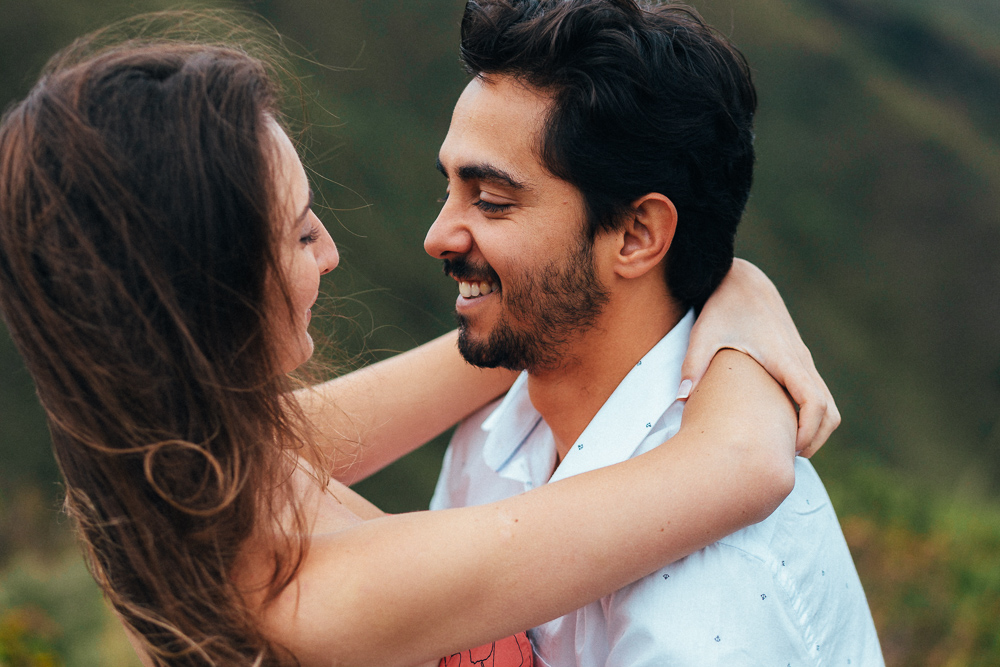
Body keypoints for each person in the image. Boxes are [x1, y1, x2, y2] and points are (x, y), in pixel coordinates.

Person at [0, 21, 833, 667]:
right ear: (207, 293)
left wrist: (706, 274)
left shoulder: (175, 480)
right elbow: (744, 467)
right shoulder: (316, 596)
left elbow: (525, 328)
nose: (329, 252)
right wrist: (742, 304)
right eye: (296, 235)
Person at [426, 1, 884, 665]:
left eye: (490, 200)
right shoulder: (496, 429)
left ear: (637, 235)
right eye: (448, 189)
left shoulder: (715, 591)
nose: (437, 235)